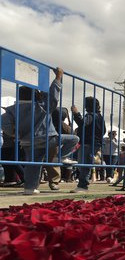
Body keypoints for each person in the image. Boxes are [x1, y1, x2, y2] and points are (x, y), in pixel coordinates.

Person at [1, 67, 79, 195]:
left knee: (33, 165)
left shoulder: (12, 110)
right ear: (34, 95)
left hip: (28, 142)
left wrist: (15, 133)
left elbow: (4, 122)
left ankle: (29, 188)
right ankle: (61, 157)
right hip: (47, 139)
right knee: (74, 139)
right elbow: (53, 97)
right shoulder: (41, 106)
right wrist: (58, 79)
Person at [71, 96, 105, 192]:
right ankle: (83, 183)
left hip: (88, 142)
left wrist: (76, 113)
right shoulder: (100, 117)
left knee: (84, 164)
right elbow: (104, 130)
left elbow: (82, 123)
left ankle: (83, 185)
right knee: (85, 163)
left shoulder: (90, 115)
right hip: (95, 142)